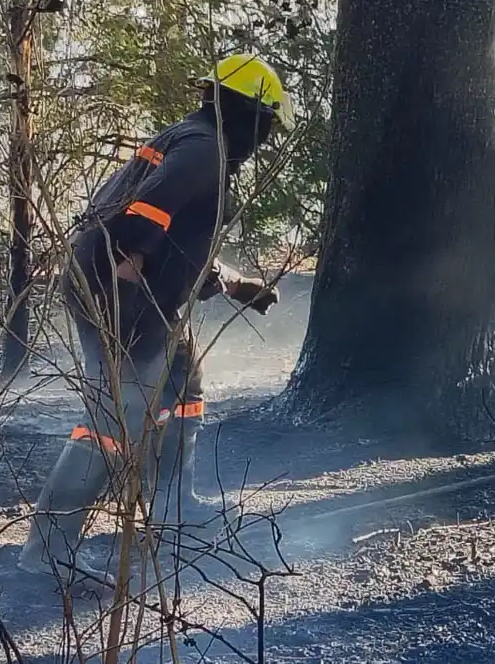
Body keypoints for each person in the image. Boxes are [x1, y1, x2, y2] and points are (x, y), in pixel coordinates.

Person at [19, 53, 291, 590]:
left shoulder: (192, 141)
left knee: (181, 380)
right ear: (251, 113)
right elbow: (148, 213)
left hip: (128, 291)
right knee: (114, 417)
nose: (264, 138)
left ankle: (174, 503)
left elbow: (178, 239)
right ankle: (47, 551)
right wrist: (129, 276)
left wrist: (235, 285)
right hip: (121, 296)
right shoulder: (205, 150)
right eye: (266, 124)